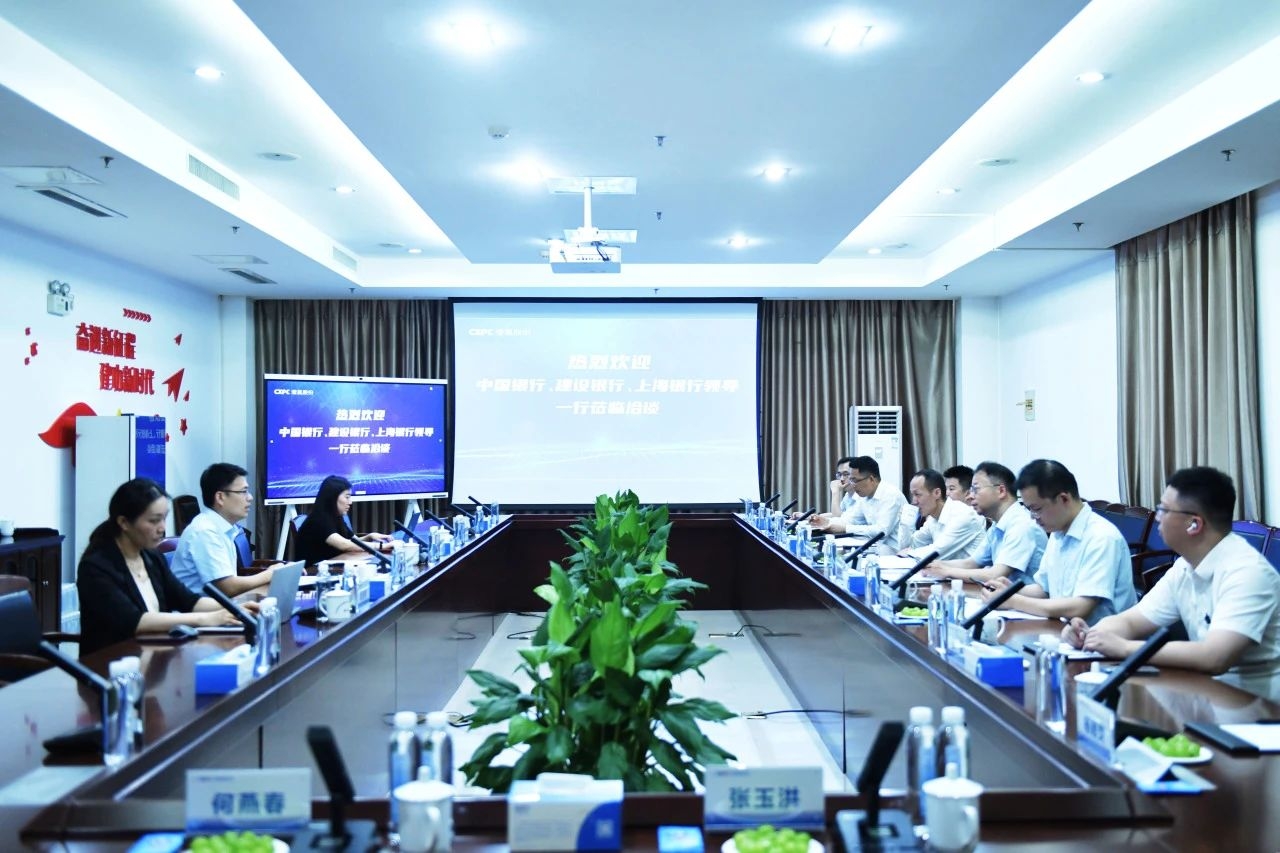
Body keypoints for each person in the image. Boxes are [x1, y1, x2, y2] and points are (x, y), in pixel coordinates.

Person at [1064, 467, 1280, 699]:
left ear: (1193, 524)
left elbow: (1215, 657)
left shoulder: (1247, 573)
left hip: (1255, 707)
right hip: (1205, 691)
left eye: (1163, 509)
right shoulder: (1185, 566)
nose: (1156, 516)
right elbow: (1132, 620)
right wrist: (1091, 635)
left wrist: (1125, 648)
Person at [77, 478, 248, 656]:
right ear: (124, 523)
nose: (162, 528)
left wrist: (235, 608)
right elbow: (134, 622)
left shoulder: (151, 556)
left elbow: (189, 601)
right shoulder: (96, 567)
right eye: (153, 521)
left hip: (155, 656)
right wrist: (207, 618)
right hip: (111, 664)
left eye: (164, 519)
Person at [982, 459, 1135, 623]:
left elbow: (1081, 606)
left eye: (1037, 509)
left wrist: (1013, 601)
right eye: (1029, 510)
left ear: (1064, 499)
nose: (1033, 518)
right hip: (1066, 631)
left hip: (1102, 640)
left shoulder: (1101, 537)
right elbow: (1044, 589)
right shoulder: (1057, 533)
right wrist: (1010, 591)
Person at [925, 461, 1046, 583]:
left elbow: (995, 575)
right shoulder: (997, 525)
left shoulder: (1021, 524)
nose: (970, 496)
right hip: (1003, 597)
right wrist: (936, 564)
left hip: (1027, 599)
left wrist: (947, 571)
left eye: (976, 489)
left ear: (1001, 491)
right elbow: (971, 563)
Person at [172, 463, 276, 595]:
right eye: (243, 492)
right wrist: (270, 574)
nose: (250, 497)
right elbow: (228, 587)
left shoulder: (226, 529)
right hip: (198, 612)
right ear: (220, 497)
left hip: (219, 608)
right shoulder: (205, 531)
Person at [810, 456, 907, 551]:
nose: (852, 484)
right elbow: (848, 519)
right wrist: (826, 522)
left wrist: (845, 528)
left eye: (854, 480)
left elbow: (881, 531)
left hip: (896, 551)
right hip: (876, 546)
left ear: (871, 479)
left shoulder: (891, 495)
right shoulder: (864, 496)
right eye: (851, 480)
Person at [296, 475, 394, 565]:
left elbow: (353, 541)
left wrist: (370, 536)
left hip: (333, 568)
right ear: (332, 498)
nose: (350, 502)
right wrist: (383, 546)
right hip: (313, 574)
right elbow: (345, 545)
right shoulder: (319, 519)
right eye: (347, 497)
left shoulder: (336, 517)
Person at [900, 468, 985, 560]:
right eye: (912, 495)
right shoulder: (932, 518)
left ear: (937, 493)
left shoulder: (963, 515)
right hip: (947, 572)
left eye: (917, 494)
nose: (914, 501)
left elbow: (937, 553)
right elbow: (911, 545)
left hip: (970, 573)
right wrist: (906, 523)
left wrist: (910, 552)